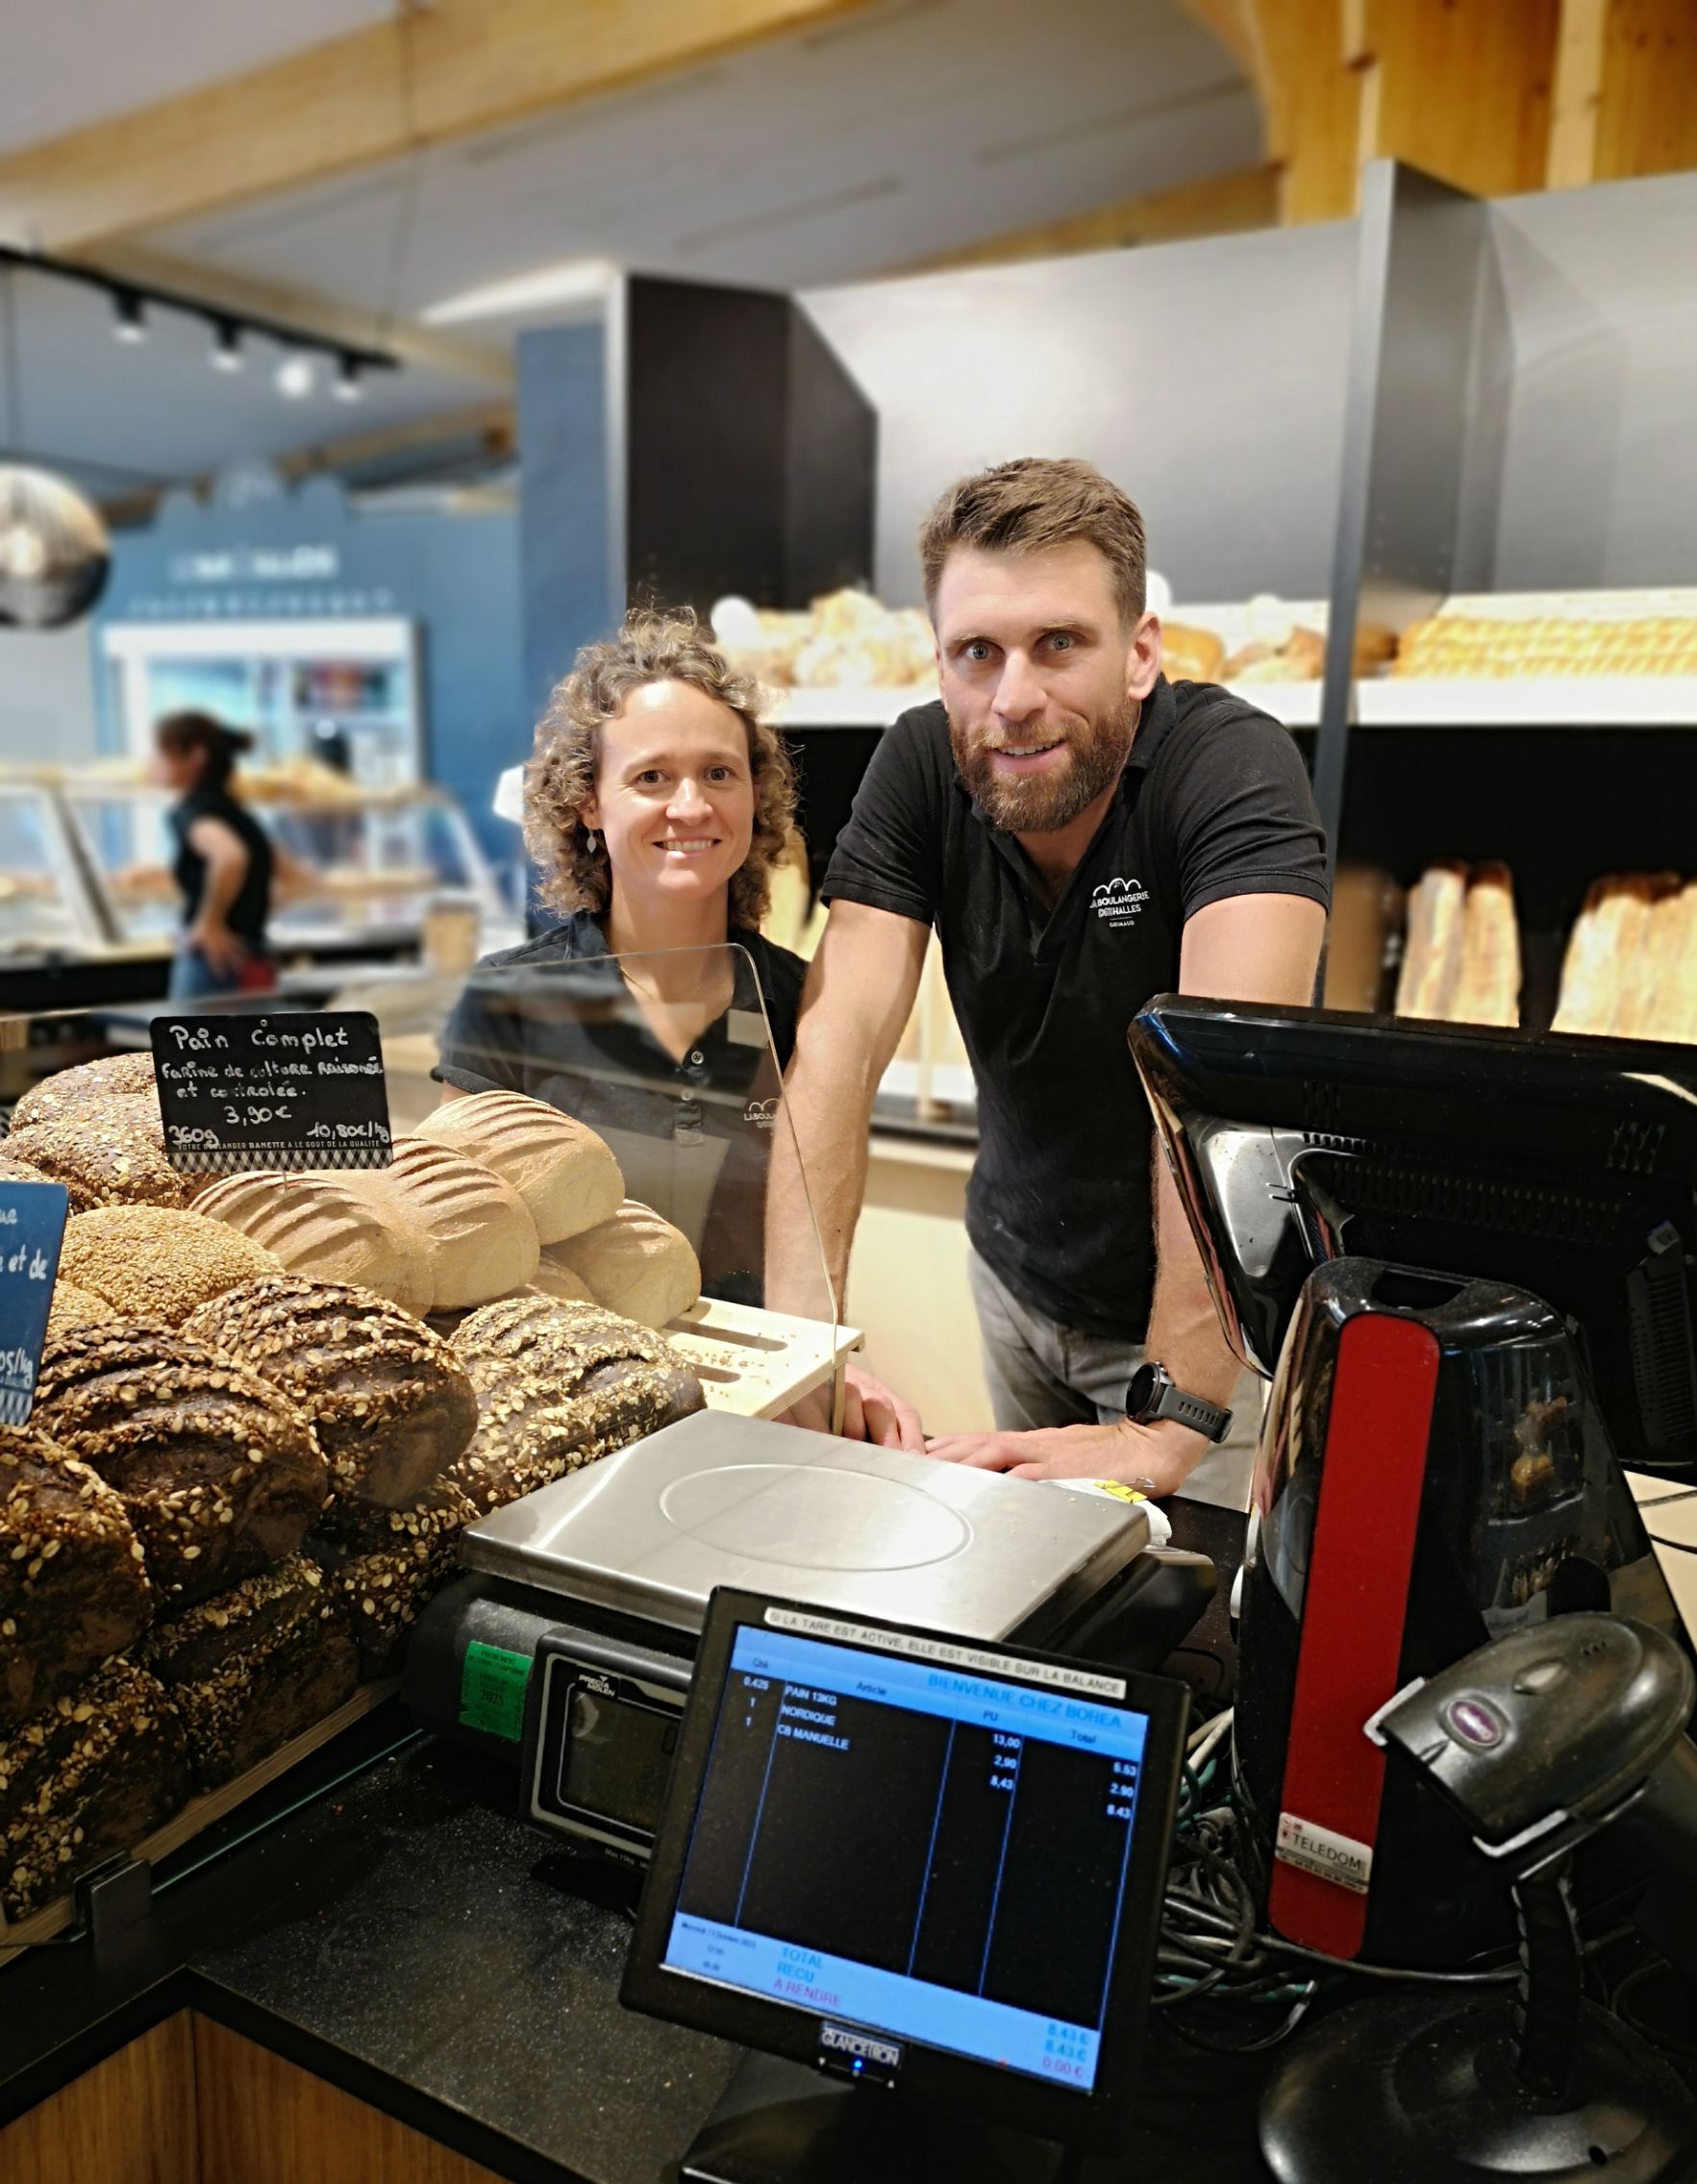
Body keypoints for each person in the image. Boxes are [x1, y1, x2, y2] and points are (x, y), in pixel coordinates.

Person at [767, 459, 1328, 1505]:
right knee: (1046, 1619)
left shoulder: (1230, 770)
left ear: (1139, 653)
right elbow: (835, 1049)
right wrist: (803, 1348)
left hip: (1210, 1332)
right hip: (1015, 1282)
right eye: (975, 652)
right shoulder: (918, 764)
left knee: (1193, 1634)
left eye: (1057, 644)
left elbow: (1220, 1099)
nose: (1012, 699)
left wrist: (1173, 1415)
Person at [437, 609, 806, 1291]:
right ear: (589, 804)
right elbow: (459, 1229)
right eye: (652, 778)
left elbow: (814, 1244)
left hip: (758, 1380)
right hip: (564, 1375)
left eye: (719, 773)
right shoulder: (509, 1002)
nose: (691, 806)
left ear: (755, 796)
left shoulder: (804, 1003)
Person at [152, 710, 287, 999]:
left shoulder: (191, 811)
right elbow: (285, 871)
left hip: (213, 962)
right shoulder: (238, 813)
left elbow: (230, 857)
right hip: (254, 956)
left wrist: (208, 922)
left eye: (162, 754)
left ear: (196, 757)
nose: (154, 764)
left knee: (192, 1044)